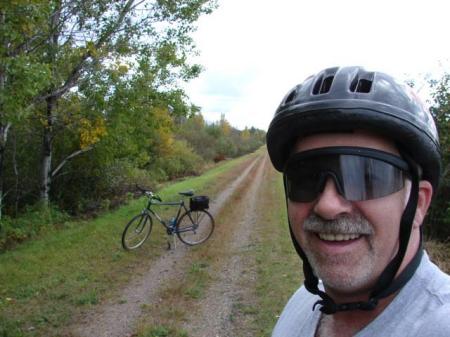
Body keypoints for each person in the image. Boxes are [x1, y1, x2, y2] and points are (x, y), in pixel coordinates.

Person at [266, 66, 450, 337]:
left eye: (366, 177)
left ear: (419, 204)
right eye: (306, 178)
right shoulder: (305, 301)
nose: (327, 206)